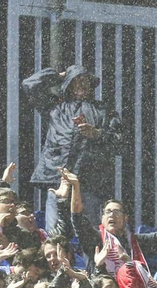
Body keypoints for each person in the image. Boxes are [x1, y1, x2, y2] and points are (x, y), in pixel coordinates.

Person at [21, 63, 123, 227]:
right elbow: (29, 85)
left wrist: (97, 134)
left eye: (85, 81)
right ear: (68, 85)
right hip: (58, 181)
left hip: (89, 182)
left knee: (88, 234)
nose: (81, 85)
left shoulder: (104, 110)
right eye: (75, 81)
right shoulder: (56, 108)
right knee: (55, 234)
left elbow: (120, 143)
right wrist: (57, 76)